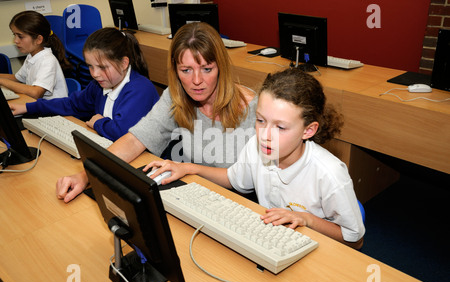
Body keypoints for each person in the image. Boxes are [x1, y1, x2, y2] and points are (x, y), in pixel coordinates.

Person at [144, 68, 365, 249]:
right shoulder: (257, 147)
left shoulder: (329, 173)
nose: (265, 135)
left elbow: (355, 240)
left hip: (318, 250)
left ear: (308, 130)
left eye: (280, 127)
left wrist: (306, 219)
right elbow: (233, 178)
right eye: (260, 121)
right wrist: (189, 168)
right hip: (273, 242)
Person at [55, 22, 258, 203]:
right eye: (186, 70)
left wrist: (189, 168)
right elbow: (135, 140)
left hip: (238, 203)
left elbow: (251, 179)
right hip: (198, 196)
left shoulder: (253, 109)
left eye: (206, 69)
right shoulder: (177, 97)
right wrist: (85, 175)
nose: (196, 80)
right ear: (175, 71)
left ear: (221, 68)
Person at [10, 27, 160, 142]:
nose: (94, 74)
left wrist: (98, 123)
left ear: (124, 63)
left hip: (147, 161)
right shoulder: (99, 85)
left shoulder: (141, 89)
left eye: (102, 67)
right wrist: (28, 107)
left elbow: (123, 133)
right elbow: (72, 104)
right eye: (90, 66)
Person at [0, 10, 70, 99]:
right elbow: (18, 78)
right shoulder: (32, 56)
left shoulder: (47, 61)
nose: (15, 41)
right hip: (39, 106)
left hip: (53, 111)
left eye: (20, 36)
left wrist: (2, 81)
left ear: (38, 39)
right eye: (14, 35)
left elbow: (36, 92)